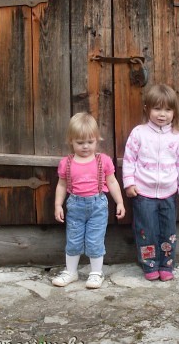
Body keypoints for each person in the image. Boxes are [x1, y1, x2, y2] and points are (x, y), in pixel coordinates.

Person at [122, 84, 179, 282]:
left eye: (168, 110)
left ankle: (166, 265)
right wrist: (129, 183)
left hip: (169, 194)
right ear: (147, 109)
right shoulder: (139, 133)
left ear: (174, 112)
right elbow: (129, 160)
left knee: (168, 231)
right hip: (143, 194)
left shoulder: (177, 137)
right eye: (157, 109)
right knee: (146, 231)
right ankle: (149, 264)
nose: (162, 115)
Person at [53, 112, 125, 289]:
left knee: (95, 240)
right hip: (75, 205)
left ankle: (96, 273)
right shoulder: (66, 163)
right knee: (73, 239)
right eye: (80, 143)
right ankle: (71, 272)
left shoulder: (103, 161)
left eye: (90, 142)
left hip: (97, 206)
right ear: (71, 141)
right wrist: (58, 205)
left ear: (97, 139)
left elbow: (112, 182)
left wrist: (120, 202)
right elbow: (62, 185)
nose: (85, 146)